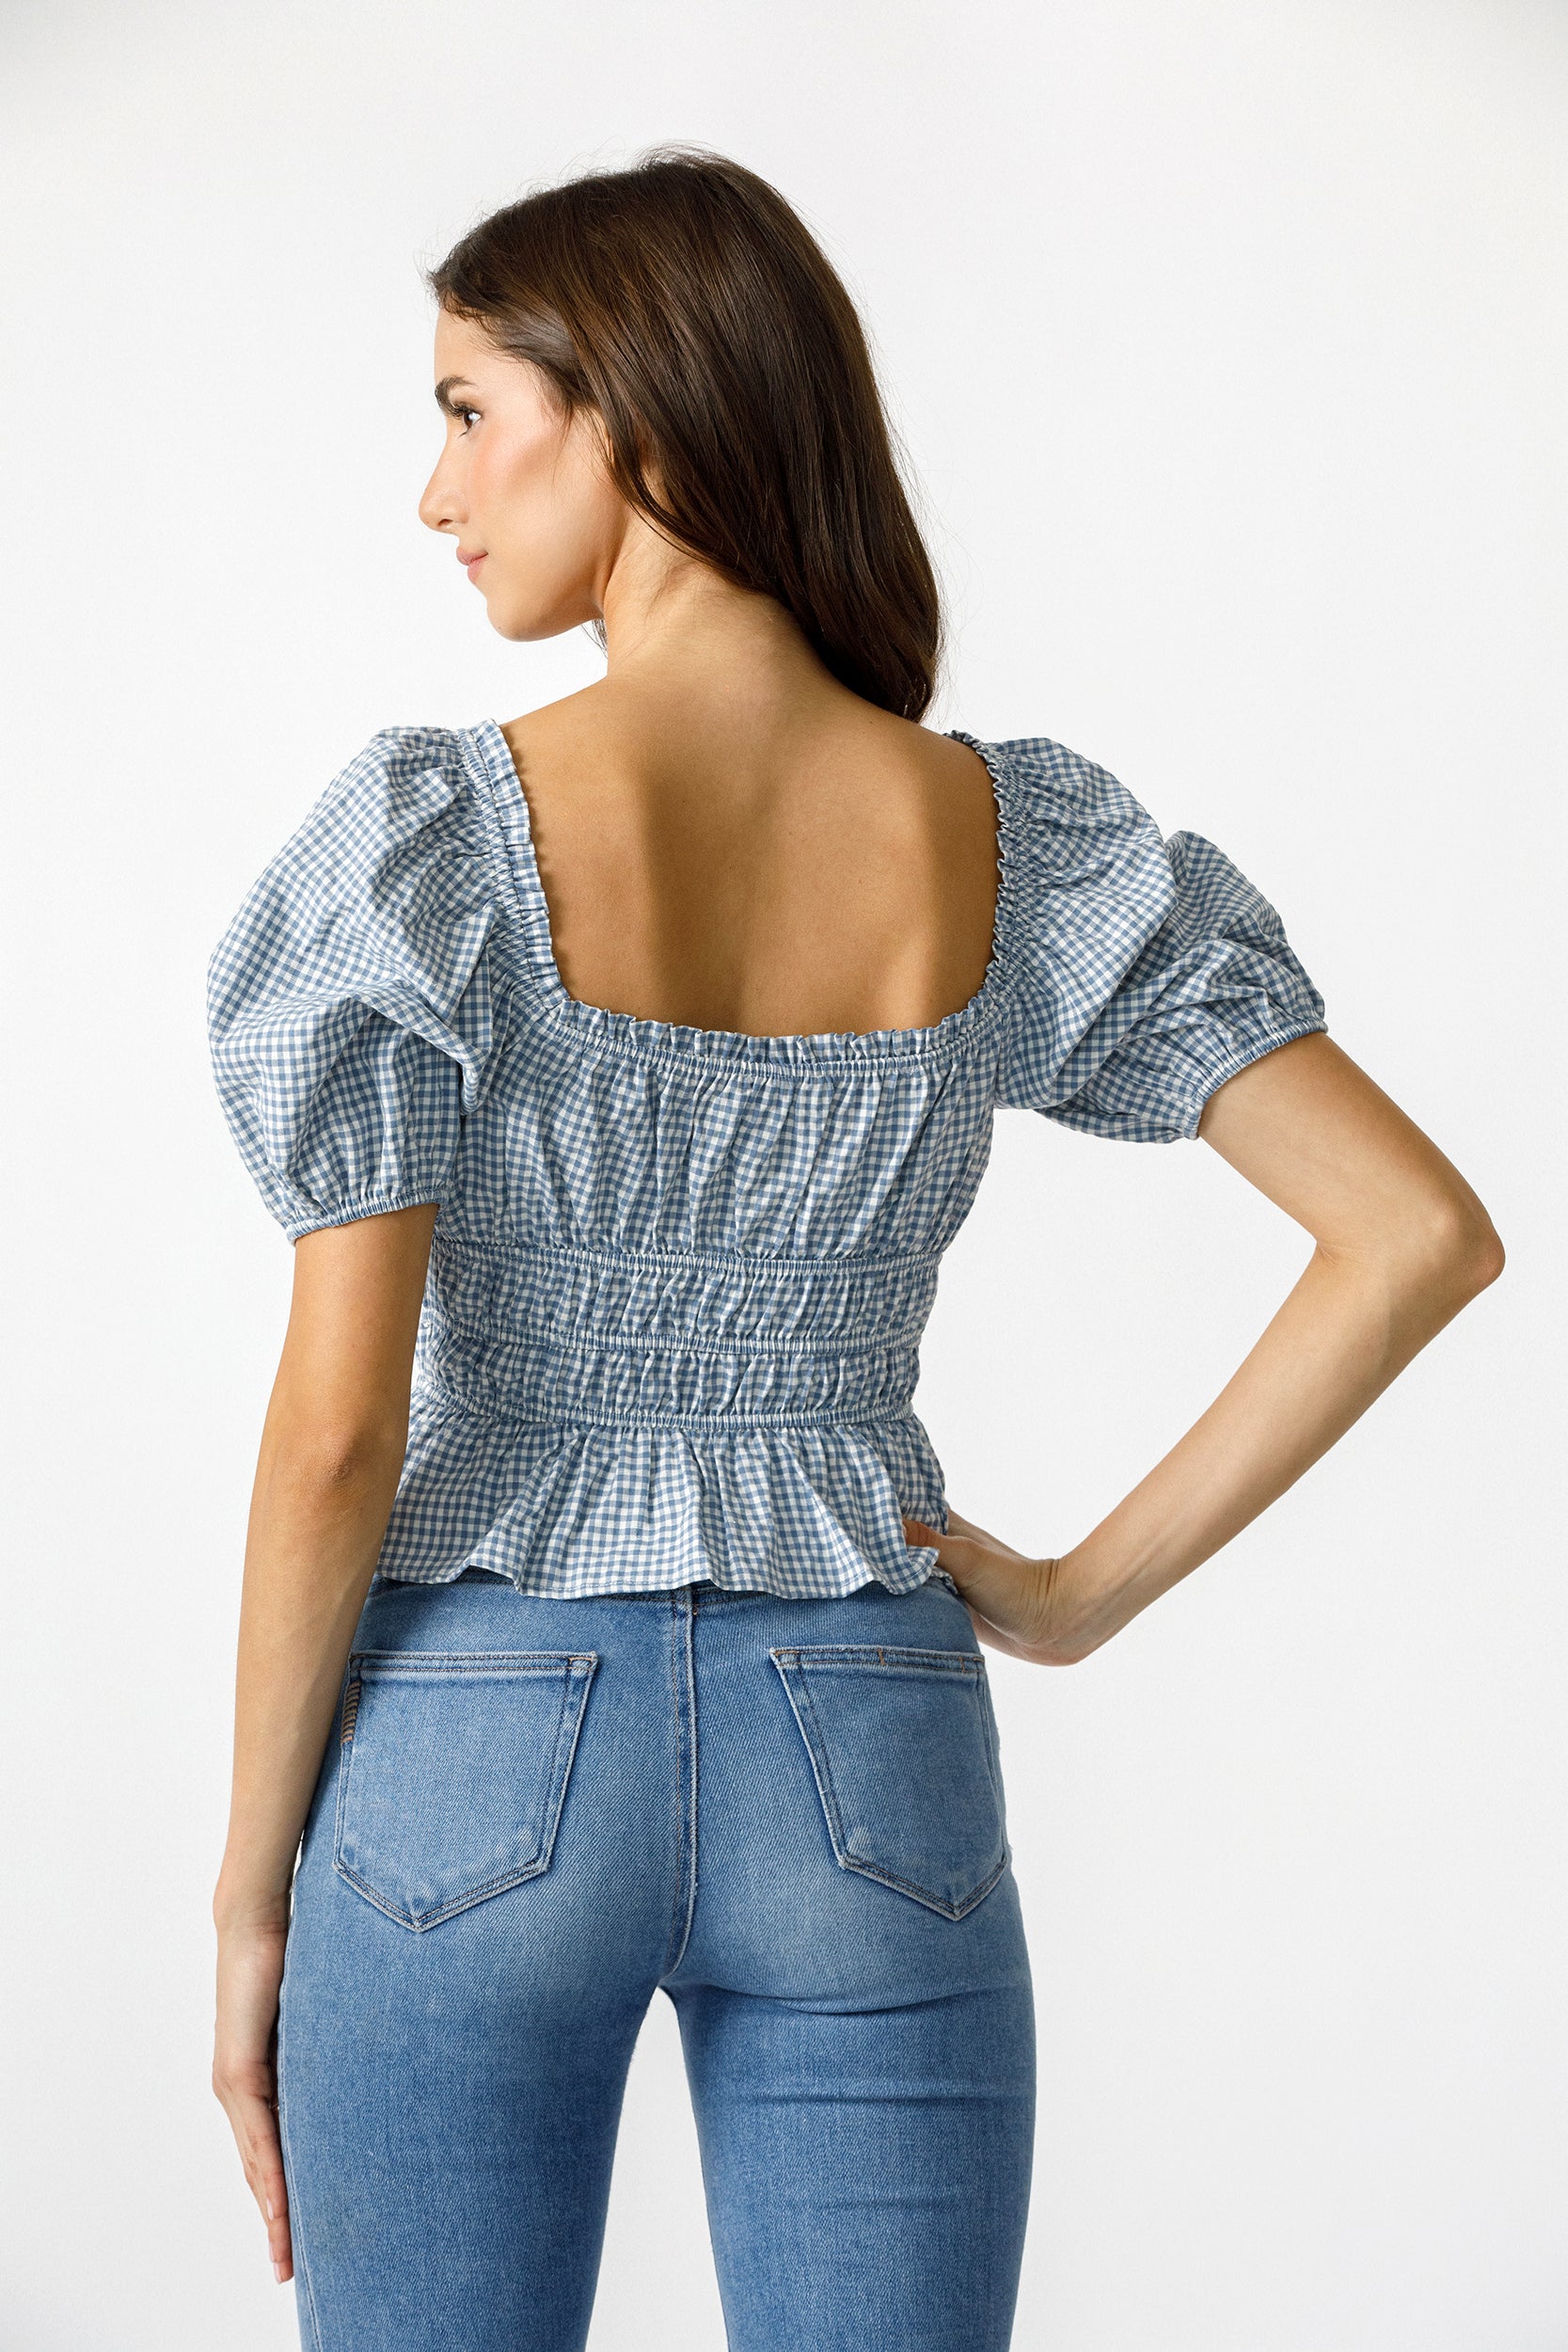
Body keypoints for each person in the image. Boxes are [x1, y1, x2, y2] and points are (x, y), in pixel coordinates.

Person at [205, 149, 1503, 2352]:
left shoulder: (429, 838)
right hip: (867, 1722)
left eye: (466, 411)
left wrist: (251, 1893)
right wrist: (1072, 1595)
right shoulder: (1006, 838)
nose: (436, 493)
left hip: (474, 1727)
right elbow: (1414, 1233)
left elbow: (337, 1435)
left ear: (630, 411)